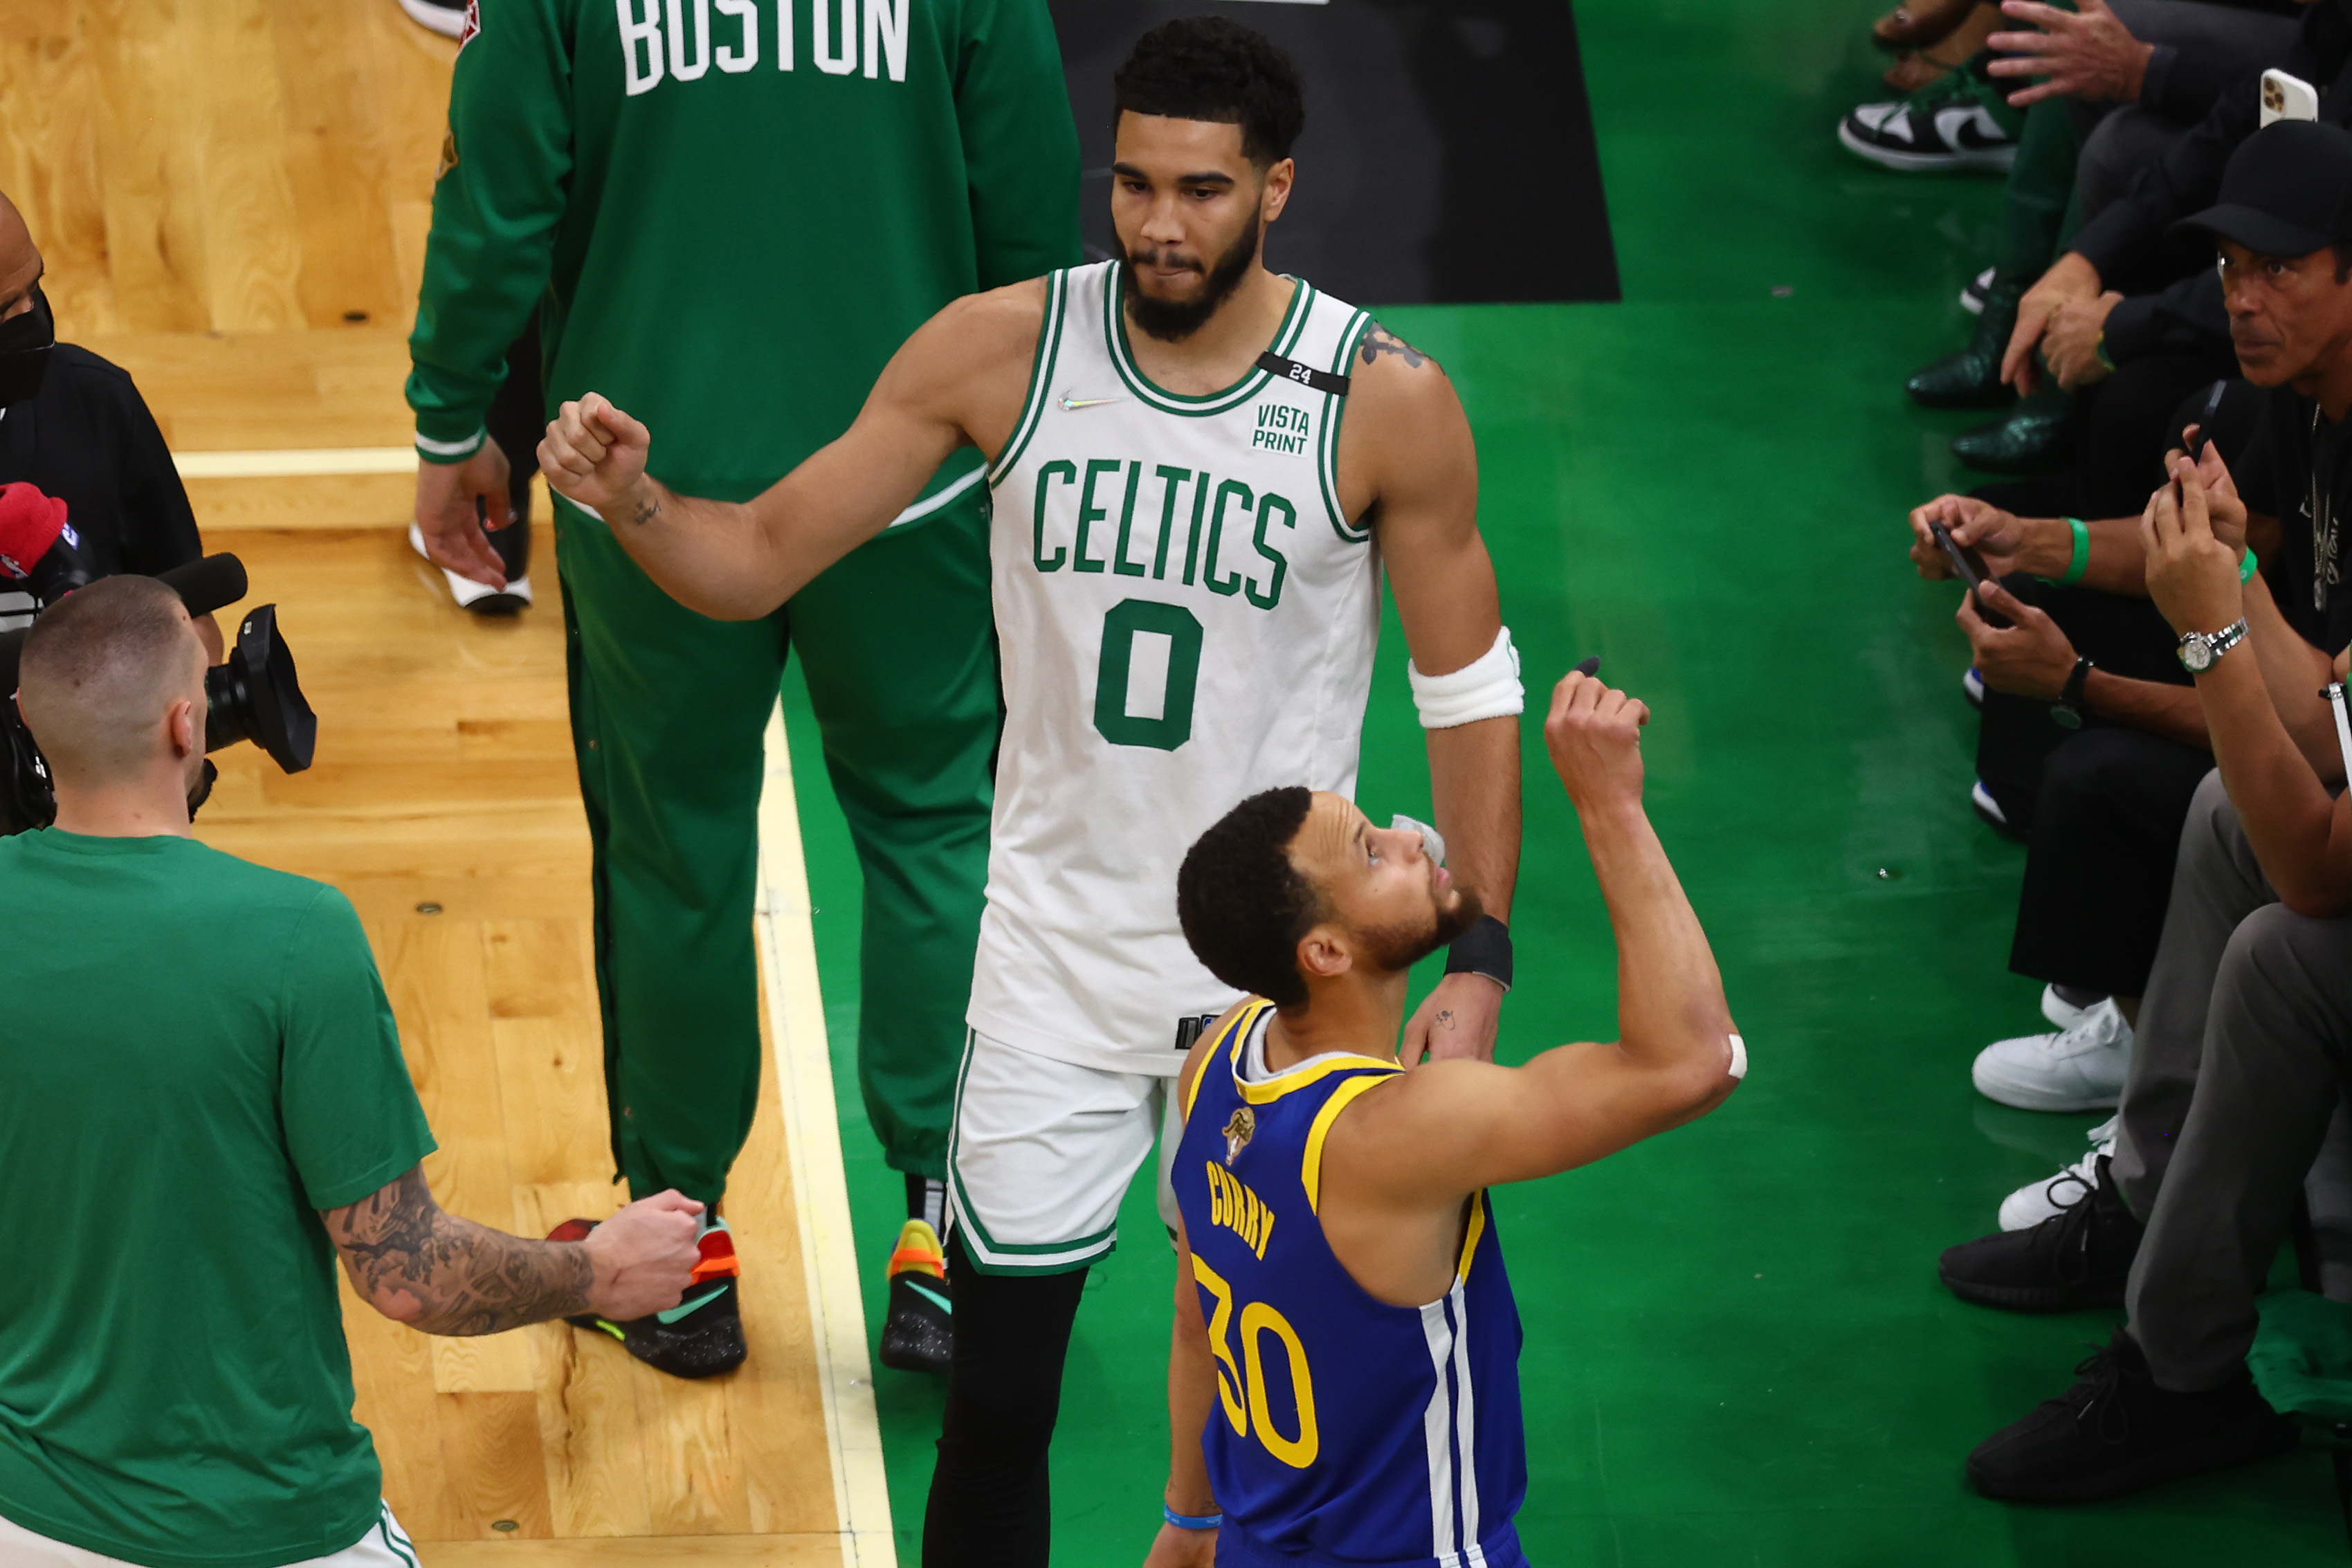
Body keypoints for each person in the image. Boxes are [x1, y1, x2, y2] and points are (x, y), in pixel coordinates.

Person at [538, 20, 1526, 1562]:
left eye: (1201, 189)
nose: (1155, 223)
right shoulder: (997, 351)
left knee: (1315, 1419)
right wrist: (635, 499)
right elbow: (753, 561)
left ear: (1278, 187)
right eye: (1130, 182)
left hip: (1278, 986)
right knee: (1000, 1408)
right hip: (1052, 970)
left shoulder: (1378, 394)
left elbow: (1465, 691)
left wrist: (1475, 958)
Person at [403, 0, 1082, 1376]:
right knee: (934, 828)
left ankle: (679, 1252)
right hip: (913, 479)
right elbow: (1026, 204)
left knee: (675, 853)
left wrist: (449, 416)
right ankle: (952, 1233)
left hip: (643, 473)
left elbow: (501, 195)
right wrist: (1030, 436)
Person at [0, 574, 704, 1567]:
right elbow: (408, 1275)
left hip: (25, 1515)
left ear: (26, 717)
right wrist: (601, 1269)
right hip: (263, 1527)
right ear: (186, 724)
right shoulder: (295, 934)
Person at [1947, 120, 2352, 1502]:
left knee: (2279, 942)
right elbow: (2316, 713)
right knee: (2212, 826)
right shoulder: (2314, 414)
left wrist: (2168, 651)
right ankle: (2145, 1215)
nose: (2242, 296)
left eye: (2279, 267)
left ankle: (2177, 1366)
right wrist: (2186, 579)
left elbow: (2315, 856)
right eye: (2229, 266)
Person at [1142, 666, 1742, 1568]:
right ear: (1325, 949)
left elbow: (1196, 1312)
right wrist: (1609, 806)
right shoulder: (1397, 1132)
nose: (1410, 837)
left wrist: (1188, 1523)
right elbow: (1693, 1063)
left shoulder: (1218, 1059)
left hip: (1253, 1548)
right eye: (1371, 852)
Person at [0, 190, 217, 656]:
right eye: (3, 311)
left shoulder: (98, 402)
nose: (30, 319)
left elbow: (192, 619)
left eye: (34, 290)